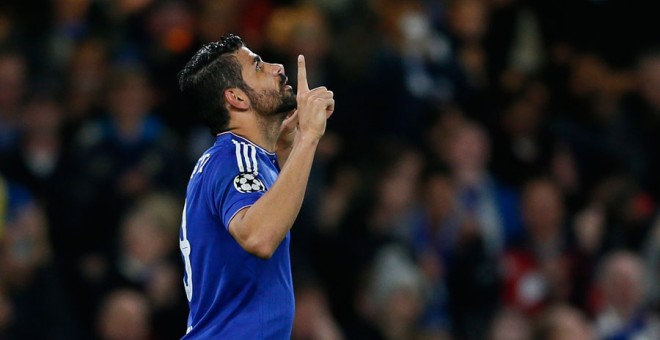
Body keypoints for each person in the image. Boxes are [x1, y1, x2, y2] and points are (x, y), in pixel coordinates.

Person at [176, 34, 334, 338]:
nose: (277, 68)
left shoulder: (243, 159)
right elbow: (259, 237)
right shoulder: (235, 159)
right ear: (237, 98)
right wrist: (309, 137)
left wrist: (290, 146)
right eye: (259, 66)